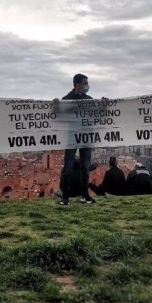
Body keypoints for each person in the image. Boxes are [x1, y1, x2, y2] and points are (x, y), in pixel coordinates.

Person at [53, 73, 110, 205]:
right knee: (68, 167)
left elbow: (98, 115)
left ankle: (85, 195)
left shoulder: (89, 100)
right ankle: (65, 196)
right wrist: (56, 105)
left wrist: (103, 105)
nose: (87, 86)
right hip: (72, 136)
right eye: (85, 83)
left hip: (86, 136)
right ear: (77, 84)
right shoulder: (66, 100)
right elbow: (58, 116)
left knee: (84, 167)